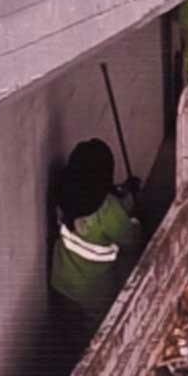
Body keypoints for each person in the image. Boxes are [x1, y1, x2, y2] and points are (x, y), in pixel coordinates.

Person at [49, 138, 143, 334]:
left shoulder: (63, 197)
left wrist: (121, 190)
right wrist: (137, 221)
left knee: (69, 330)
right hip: (94, 292)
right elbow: (130, 240)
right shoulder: (107, 210)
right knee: (94, 335)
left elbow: (92, 191)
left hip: (62, 282)